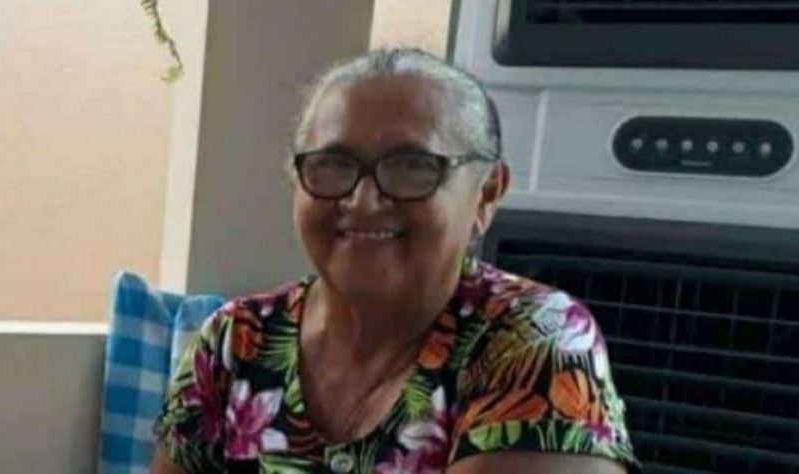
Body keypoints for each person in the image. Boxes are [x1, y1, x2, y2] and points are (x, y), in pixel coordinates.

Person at [151, 48, 639, 474]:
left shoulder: (532, 341)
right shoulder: (236, 341)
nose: (364, 201)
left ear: (487, 193)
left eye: (412, 167)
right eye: (333, 164)